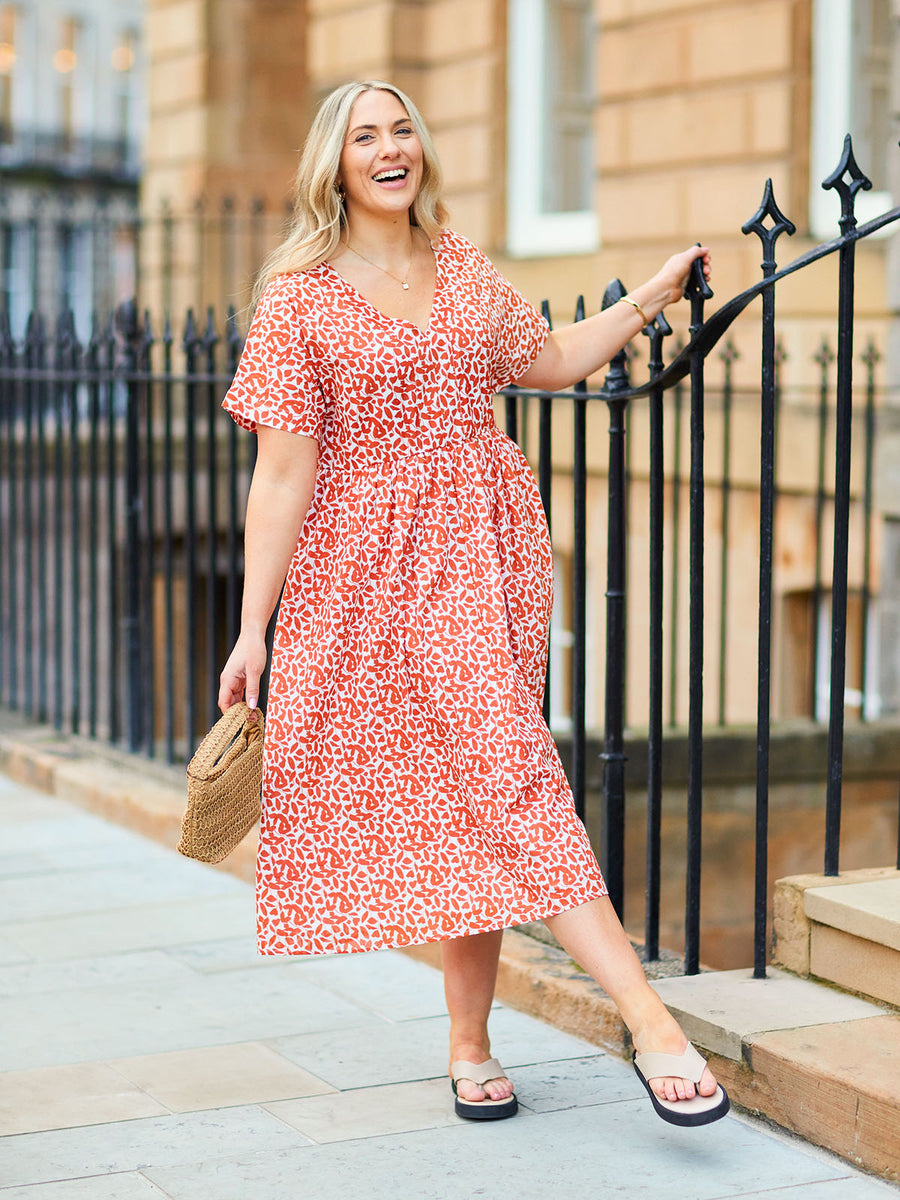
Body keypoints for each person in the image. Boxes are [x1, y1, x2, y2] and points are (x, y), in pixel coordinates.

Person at [218, 79, 728, 1128]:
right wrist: (252, 628)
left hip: (485, 559)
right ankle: (650, 1023)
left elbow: (545, 360)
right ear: (337, 165)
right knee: (508, 780)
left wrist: (651, 300)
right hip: (370, 576)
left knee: (486, 788)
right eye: (365, 136)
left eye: (401, 128)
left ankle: (468, 1042)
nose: (390, 148)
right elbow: (279, 478)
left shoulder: (458, 264)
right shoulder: (300, 298)